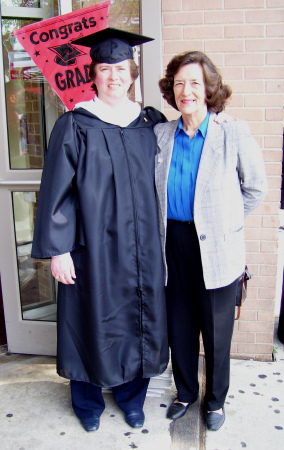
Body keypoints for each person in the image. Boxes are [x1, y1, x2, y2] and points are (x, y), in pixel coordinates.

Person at [31, 28, 169, 432]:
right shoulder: (75, 124)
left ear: (132, 73)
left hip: (143, 248)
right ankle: (87, 402)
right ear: (93, 73)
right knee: (88, 319)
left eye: (122, 69)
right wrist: (58, 250)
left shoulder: (151, 122)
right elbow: (56, 191)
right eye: (105, 68)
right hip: (90, 248)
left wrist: (219, 117)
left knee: (139, 318)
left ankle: (131, 397)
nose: (114, 76)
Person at [154, 51, 267, 431]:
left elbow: (255, 188)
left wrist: (226, 226)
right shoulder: (161, 134)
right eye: (179, 83)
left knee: (217, 333)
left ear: (209, 90)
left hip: (217, 248)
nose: (186, 91)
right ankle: (185, 392)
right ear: (172, 89)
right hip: (173, 243)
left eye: (195, 83)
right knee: (179, 326)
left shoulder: (231, 132)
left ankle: (215, 401)